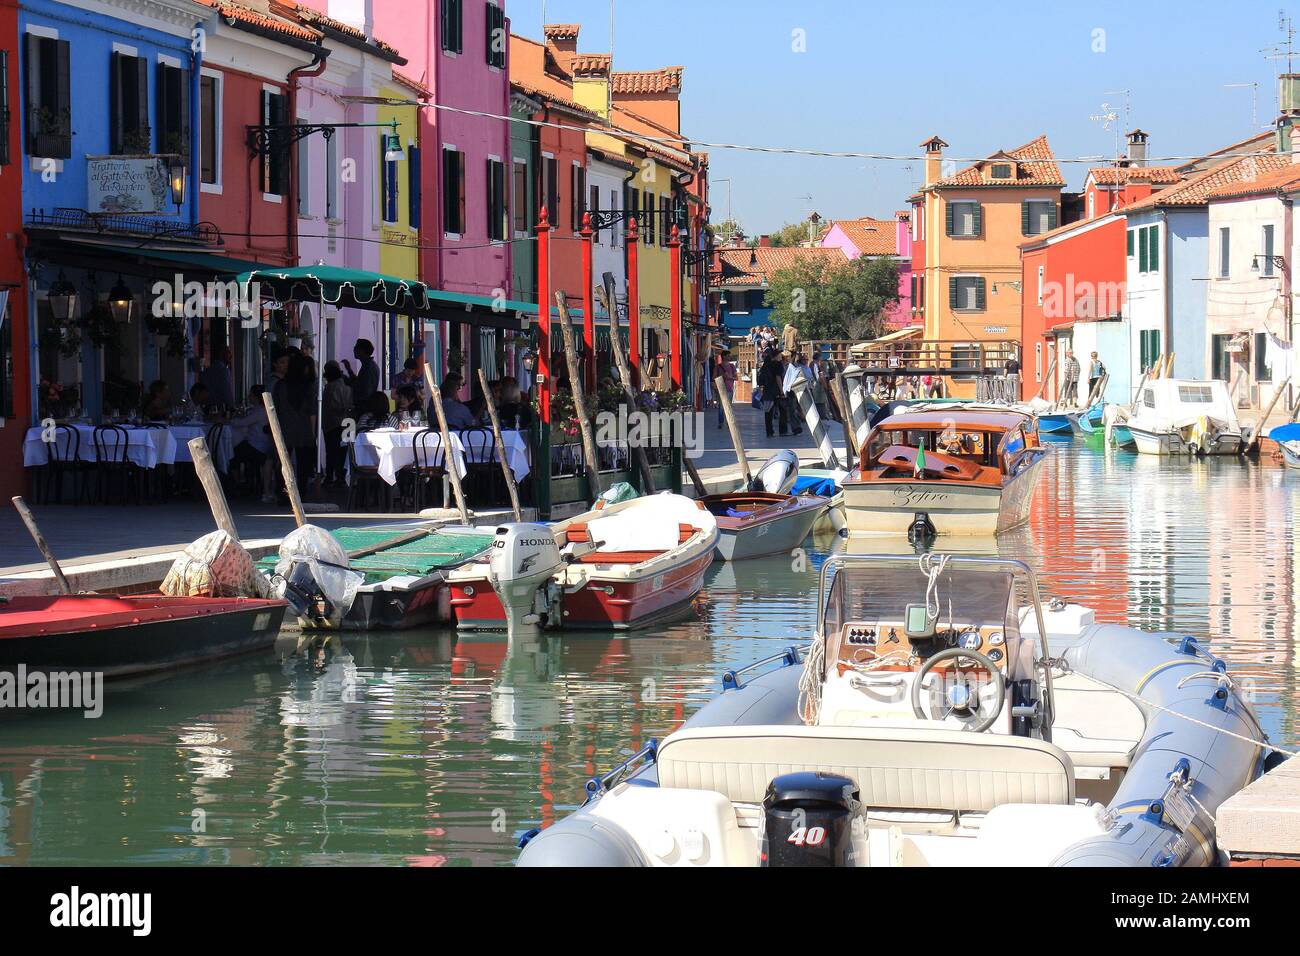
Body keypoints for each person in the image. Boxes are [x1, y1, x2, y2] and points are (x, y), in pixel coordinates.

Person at [272, 350, 317, 496]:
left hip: (284, 427)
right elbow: (312, 411)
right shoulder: (307, 386)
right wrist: (313, 432)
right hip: (303, 428)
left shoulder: (280, 386)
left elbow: (275, 409)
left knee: (283, 461)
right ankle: (302, 492)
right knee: (303, 464)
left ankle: (282, 492)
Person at [229, 385, 276, 502]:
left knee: (232, 454)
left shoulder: (259, 411)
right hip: (260, 444)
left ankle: (237, 482)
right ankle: (246, 481)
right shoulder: (262, 409)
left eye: (250, 395)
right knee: (239, 449)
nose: (249, 397)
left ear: (256, 397)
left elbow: (243, 423)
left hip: (258, 446)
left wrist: (230, 420)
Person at [321, 360, 353, 487]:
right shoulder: (347, 384)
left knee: (331, 451)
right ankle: (341, 476)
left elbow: (329, 407)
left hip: (332, 423)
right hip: (348, 422)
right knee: (343, 451)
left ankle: (330, 476)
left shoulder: (330, 387)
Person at [341, 338, 380, 412]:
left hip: (364, 407)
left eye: (355, 348)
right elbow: (360, 382)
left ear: (362, 351)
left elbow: (362, 389)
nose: (353, 350)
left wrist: (345, 379)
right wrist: (349, 370)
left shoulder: (368, 368)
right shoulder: (367, 366)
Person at [757, 349, 789, 438]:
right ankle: (783, 431)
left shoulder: (765, 365)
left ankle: (769, 432)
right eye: (780, 354)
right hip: (777, 391)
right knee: (782, 411)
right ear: (776, 356)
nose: (781, 356)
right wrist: (782, 391)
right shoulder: (778, 364)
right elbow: (778, 378)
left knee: (768, 413)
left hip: (767, 391)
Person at [716, 348, 737, 427]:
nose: (730, 357)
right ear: (724, 357)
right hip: (721, 389)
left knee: (729, 406)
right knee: (721, 407)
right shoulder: (718, 367)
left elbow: (736, 378)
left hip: (729, 389)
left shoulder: (732, 366)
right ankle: (721, 422)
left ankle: (729, 423)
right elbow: (714, 377)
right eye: (728, 356)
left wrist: (729, 377)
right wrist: (721, 377)